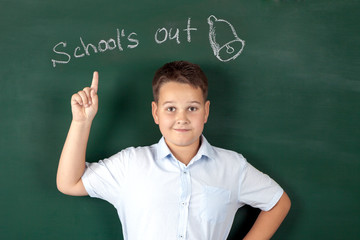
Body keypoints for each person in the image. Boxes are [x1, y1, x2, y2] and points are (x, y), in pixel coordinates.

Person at [57, 61, 291, 240]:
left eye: (192, 108)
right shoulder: (131, 164)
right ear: (155, 112)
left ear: (206, 112)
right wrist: (81, 122)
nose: (182, 118)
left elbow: (278, 202)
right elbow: (70, 183)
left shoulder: (232, 167)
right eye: (170, 108)